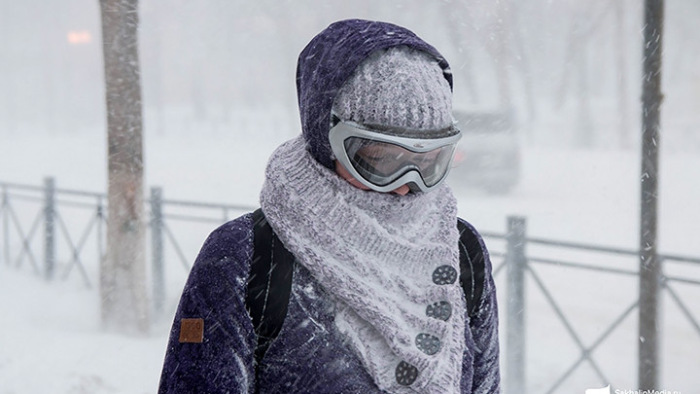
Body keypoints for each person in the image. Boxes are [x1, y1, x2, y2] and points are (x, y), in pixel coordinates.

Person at [158, 19, 500, 394]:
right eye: (382, 160)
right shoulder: (247, 258)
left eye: (428, 162)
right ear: (327, 139)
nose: (406, 187)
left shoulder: (460, 252)